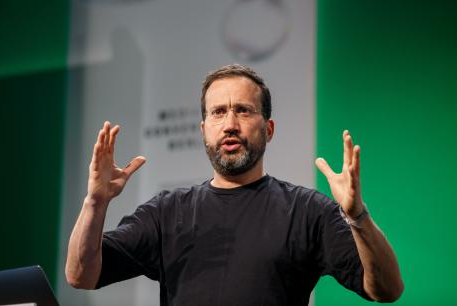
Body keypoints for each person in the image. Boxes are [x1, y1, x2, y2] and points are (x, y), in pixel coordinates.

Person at [65, 64, 404, 305]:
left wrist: (357, 215)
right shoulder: (166, 212)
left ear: (268, 129)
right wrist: (95, 202)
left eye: (243, 111)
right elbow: (81, 275)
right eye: (217, 112)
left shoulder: (307, 211)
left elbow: (386, 289)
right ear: (203, 130)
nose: (229, 124)